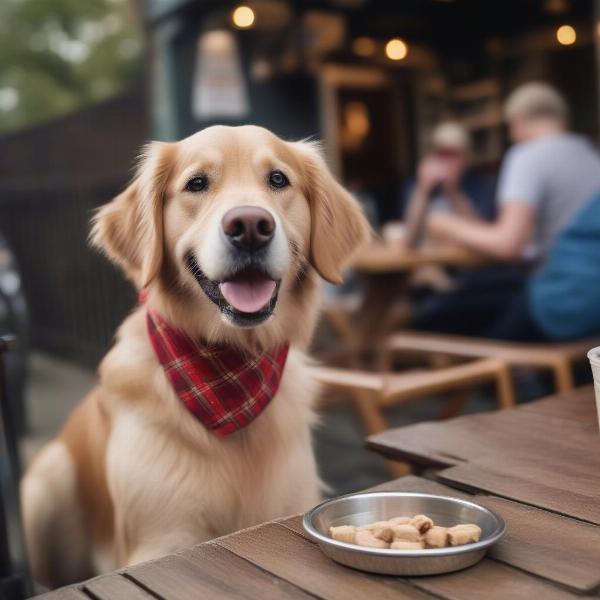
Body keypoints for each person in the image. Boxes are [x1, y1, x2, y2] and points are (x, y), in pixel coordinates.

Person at [427, 82, 600, 340]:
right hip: (593, 301)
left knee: (437, 319)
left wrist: (443, 224)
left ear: (517, 121)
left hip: (560, 299)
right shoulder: (590, 153)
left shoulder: (527, 156)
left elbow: (509, 244)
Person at [403, 122, 495, 248]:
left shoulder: (483, 184)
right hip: (431, 262)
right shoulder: (418, 184)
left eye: (453, 154)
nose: (446, 160)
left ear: (468, 157)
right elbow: (408, 240)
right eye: (441, 153)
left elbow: (484, 237)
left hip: (468, 265)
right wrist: (423, 190)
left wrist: (452, 191)